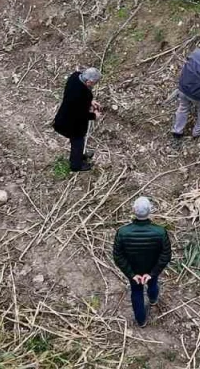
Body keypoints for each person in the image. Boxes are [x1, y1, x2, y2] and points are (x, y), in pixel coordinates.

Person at [112, 197, 172, 328]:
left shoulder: (122, 232)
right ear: (150, 211)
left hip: (134, 272)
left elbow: (118, 256)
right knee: (153, 284)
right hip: (152, 270)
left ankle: (141, 321)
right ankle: (153, 300)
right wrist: (153, 273)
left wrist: (131, 274)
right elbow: (166, 255)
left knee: (136, 292)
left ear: (133, 210)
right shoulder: (160, 232)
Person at [53, 67, 102, 172]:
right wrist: (94, 116)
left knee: (78, 142)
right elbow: (80, 115)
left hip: (63, 116)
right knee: (78, 141)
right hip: (70, 124)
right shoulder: (84, 94)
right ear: (89, 82)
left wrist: (90, 101)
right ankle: (76, 165)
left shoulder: (74, 77)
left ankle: (78, 156)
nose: (93, 86)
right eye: (93, 84)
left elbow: (78, 101)